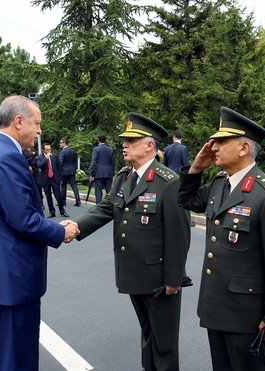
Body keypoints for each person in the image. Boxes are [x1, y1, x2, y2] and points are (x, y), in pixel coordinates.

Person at [0, 95, 80, 370]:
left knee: (7, 356)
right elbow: (23, 219)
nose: (39, 130)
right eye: (36, 123)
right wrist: (59, 231)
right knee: (19, 358)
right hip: (10, 279)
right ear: (18, 122)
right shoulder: (7, 158)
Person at [178, 106, 265, 371]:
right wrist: (197, 167)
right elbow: (184, 200)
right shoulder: (220, 184)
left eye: (221, 141)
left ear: (244, 148)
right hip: (215, 306)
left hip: (246, 314)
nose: (214, 146)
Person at [75, 113, 190, 371]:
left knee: (165, 342)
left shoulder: (169, 183)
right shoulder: (125, 177)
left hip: (159, 279)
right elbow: (107, 207)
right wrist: (76, 227)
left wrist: (174, 278)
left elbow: (179, 234)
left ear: (150, 145)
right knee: (148, 332)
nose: (124, 144)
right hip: (134, 272)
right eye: (124, 140)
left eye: (131, 140)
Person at [36, 142, 69, 218]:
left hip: (54, 178)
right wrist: (46, 158)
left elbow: (59, 168)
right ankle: (52, 212)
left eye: (50, 149)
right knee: (48, 197)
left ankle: (62, 211)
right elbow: (39, 165)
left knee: (58, 196)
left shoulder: (54, 156)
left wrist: (60, 178)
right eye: (47, 150)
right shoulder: (39, 157)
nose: (49, 151)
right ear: (43, 150)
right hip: (45, 179)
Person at [88, 134, 115, 204]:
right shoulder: (110, 149)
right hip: (109, 172)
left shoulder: (96, 149)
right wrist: (113, 173)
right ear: (105, 140)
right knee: (109, 191)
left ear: (98, 140)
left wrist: (91, 174)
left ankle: (99, 207)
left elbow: (93, 162)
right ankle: (110, 205)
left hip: (98, 173)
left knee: (98, 191)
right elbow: (113, 162)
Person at [59, 137, 81, 206]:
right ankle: (78, 200)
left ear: (64, 143)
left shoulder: (63, 152)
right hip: (72, 171)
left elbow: (60, 162)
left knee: (63, 186)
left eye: (61, 143)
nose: (59, 144)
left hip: (64, 172)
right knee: (74, 185)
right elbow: (74, 161)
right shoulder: (73, 151)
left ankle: (63, 201)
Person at [23, 145, 44, 209]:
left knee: (38, 187)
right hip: (27, 172)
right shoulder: (22, 151)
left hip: (35, 172)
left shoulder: (34, 151)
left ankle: (41, 203)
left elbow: (36, 160)